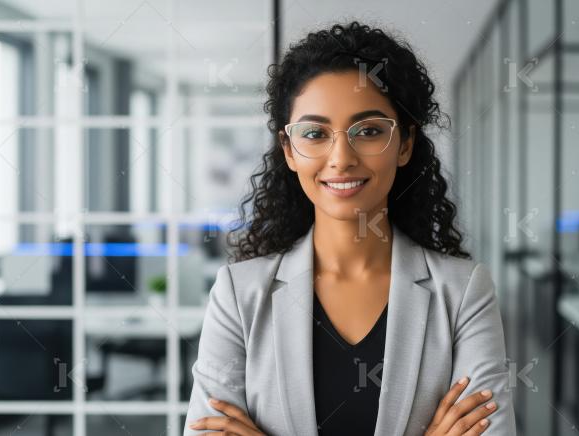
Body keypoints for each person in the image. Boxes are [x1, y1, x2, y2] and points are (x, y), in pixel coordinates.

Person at [184, 20, 516, 436]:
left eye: (369, 131)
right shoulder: (239, 295)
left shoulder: (463, 293)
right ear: (289, 150)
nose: (341, 158)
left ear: (406, 145)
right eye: (315, 133)